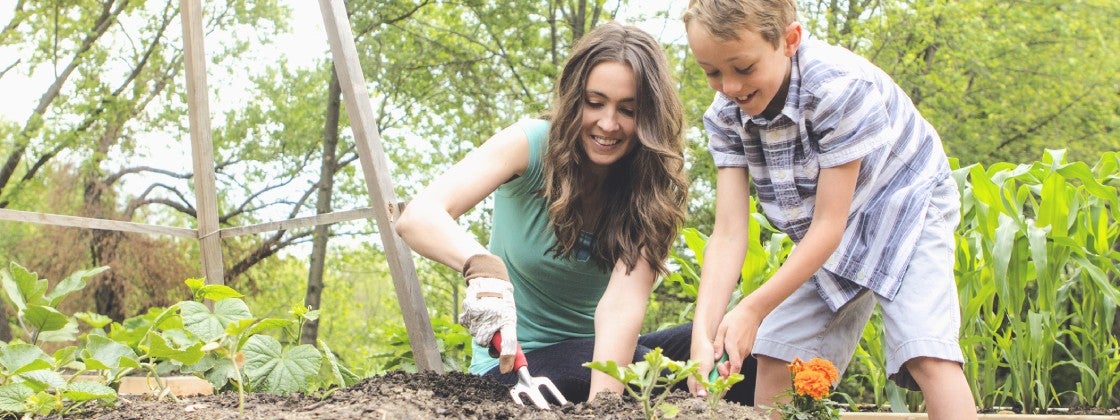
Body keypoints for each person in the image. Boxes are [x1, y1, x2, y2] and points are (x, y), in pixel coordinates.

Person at [395, 21, 754, 404]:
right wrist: (480, 266)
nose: (608, 124)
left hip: (598, 358)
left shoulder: (649, 192)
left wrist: (604, 407)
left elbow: (621, 310)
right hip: (516, 370)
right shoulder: (530, 145)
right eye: (594, 103)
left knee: (736, 347)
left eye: (628, 110)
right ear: (573, 98)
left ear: (649, 117)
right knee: (590, 367)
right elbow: (419, 216)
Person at [680, 0, 978, 418]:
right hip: (829, 227)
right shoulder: (726, 116)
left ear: (789, 40)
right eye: (711, 72)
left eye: (743, 68)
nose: (729, 86)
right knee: (778, 351)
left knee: (923, 350)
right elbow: (729, 234)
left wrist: (751, 308)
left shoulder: (835, 88)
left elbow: (829, 226)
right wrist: (702, 336)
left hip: (907, 202)